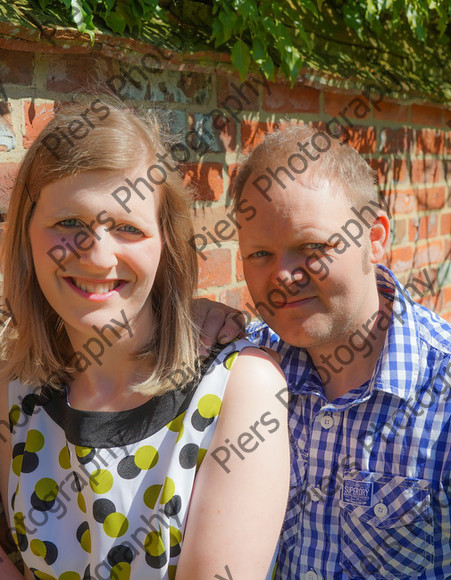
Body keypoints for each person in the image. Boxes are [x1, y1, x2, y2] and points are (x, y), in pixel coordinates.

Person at [0, 100, 290, 579]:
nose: (96, 256)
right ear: (27, 239)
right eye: (68, 223)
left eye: (128, 228)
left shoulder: (240, 391)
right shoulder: (17, 387)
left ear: (166, 246)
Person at [198, 125, 451, 579]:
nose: (283, 276)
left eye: (312, 248)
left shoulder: (443, 394)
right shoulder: (239, 373)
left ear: (375, 239)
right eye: (259, 255)